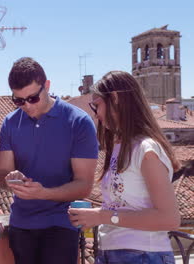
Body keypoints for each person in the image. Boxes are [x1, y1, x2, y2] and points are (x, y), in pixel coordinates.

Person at [68, 71, 181, 264]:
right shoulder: (120, 147)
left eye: (97, 106)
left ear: (115, 98)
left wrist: (102, 216)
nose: (96, 114)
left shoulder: (146, 149)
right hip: (114, 253)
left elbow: (169, 218)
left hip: (144, 255)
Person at [0, 57, 99, 264]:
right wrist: (10, 179)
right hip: (21, 225)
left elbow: (84, 186)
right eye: (18, 100)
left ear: (48, 86)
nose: (26, 106)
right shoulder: (10, 123)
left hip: (60, 224)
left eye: (33, 98)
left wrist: (44, 193)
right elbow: (0, 175)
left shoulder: (78, 122)